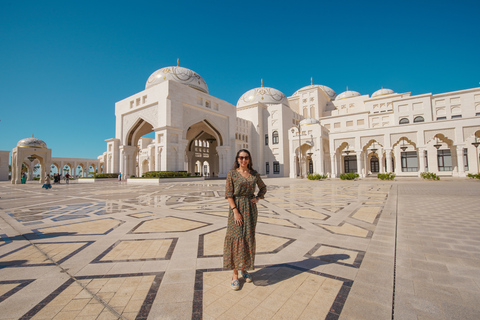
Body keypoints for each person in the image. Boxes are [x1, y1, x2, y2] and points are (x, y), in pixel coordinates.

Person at [223, 149, 266, 290]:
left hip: (250, 210)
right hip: (236, 209)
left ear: (249, 159)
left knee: (247, 238)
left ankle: (244, 269)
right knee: (236, 239)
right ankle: (235, 274)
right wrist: (235, 211)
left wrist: (258, 198)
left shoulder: (254, 174)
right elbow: (229, 194)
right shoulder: (232, 174)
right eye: (241, 157)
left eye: (246, 157)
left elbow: (263, 188)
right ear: (237, 159)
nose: (243, 160)